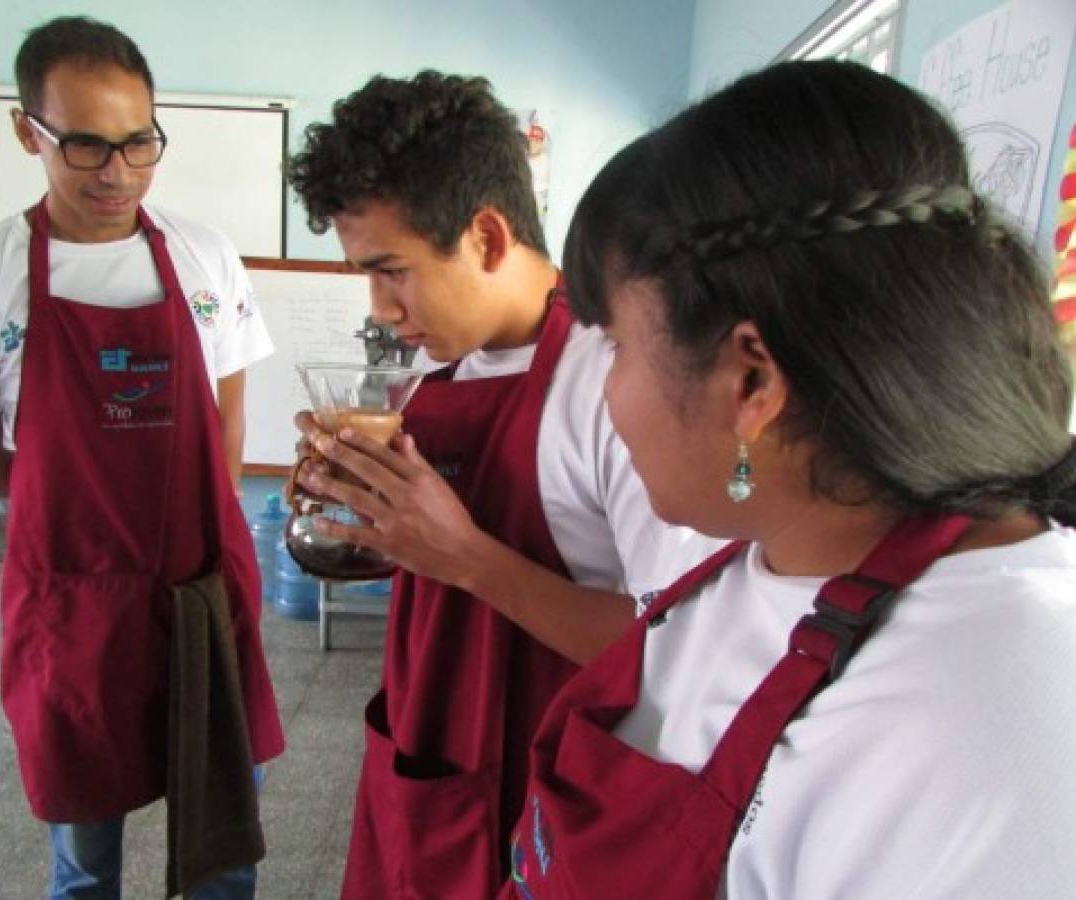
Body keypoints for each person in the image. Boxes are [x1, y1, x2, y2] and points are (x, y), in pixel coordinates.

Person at [499, 59, 1076, 899]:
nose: (605, 393)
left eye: (614, 346)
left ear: (751, 384)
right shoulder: (761, 561)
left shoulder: (1001, 725)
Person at [285, 71, 717, 897]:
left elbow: (685, 653)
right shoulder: (443, 357)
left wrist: (468, 558)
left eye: (392, 271)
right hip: (428, 758)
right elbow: (424, 552)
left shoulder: (612, 379)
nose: (380, 307)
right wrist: (361, 508)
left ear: (486, 237)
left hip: (545, 797)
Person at [0, 16, 283, 899]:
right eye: (83, 145)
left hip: (200, 588)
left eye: (137, 143)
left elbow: (224, 433)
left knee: (224, 839)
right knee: (85, 861)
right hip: (72, 605)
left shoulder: (205, 258)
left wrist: (176, 519)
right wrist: (86, 503)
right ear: (26, 133)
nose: (116, 172)